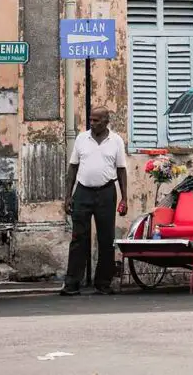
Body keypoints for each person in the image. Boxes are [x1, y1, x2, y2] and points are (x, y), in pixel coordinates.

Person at [61, 106, 128, 296]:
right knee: (78, 238)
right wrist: (68, 196)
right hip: (82, 192)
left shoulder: (116, 141)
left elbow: (121, 170)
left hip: (106, 192)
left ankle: (103, 283)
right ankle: (72, 283)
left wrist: (125, 197)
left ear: (106, 121)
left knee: (106, 239)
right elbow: (72, 168)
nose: (92, 123)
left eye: (97, 120)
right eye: (91, 119)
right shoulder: (82, 138)